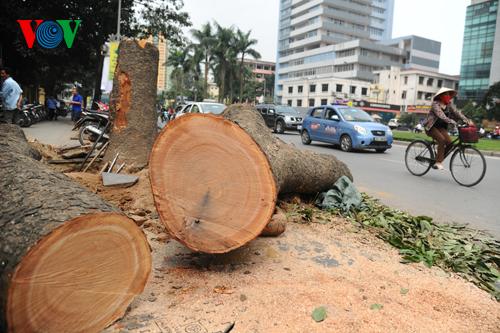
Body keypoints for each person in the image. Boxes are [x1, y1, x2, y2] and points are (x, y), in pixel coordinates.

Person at [422, 87, 474, 171]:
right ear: (440, 96)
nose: (447, 96)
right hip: (431, 127)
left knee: (451, 144)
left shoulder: (448, 105)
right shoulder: (435, 104)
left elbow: (457, 113)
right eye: (445, 94)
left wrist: (467, 120)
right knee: (442, 140)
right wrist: (451, 121)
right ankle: (439, 162)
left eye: (448, 94)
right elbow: (440, 115)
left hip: (442, 128)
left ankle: (437, 158)